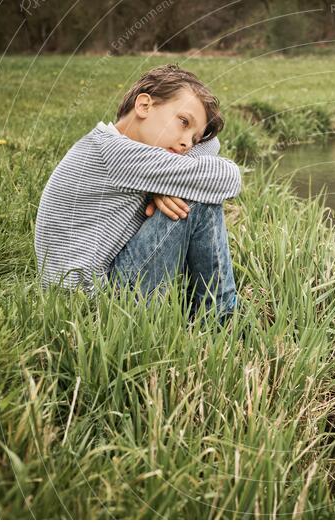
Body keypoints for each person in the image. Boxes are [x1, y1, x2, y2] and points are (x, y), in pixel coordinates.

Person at [34, 63, 242, 326]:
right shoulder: (117, 154)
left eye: (193, 137)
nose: (187, 143)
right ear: (144, 106)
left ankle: (214, 313)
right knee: (196, 197)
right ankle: (222, 319)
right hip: (94, 305)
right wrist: (168, 184)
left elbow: (212, 143)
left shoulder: (113, 146)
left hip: (78, 295)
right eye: (183, 122)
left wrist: (163, 185)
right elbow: (228, 177)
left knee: (191, 185)